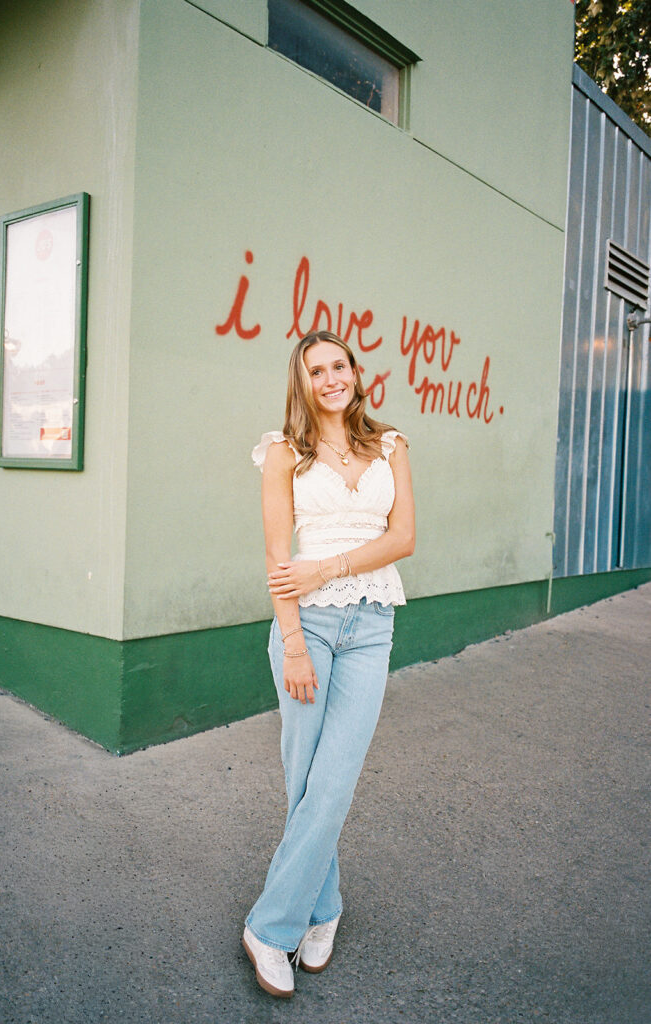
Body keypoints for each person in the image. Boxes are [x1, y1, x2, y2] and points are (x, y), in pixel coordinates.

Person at [243, 330, 415, 998]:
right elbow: (277, 559)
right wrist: (291, 643)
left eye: (339, 365)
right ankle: (321, 909)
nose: (331, 378)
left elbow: (403, 537)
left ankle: (270, 924)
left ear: (354, 372)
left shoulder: (390, 445)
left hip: (372, 625)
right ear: (303, 382)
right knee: (306, 783)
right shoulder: (282, 453)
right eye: (316, 370)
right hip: (306, 628)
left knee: (334, 780)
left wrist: (333, 566)